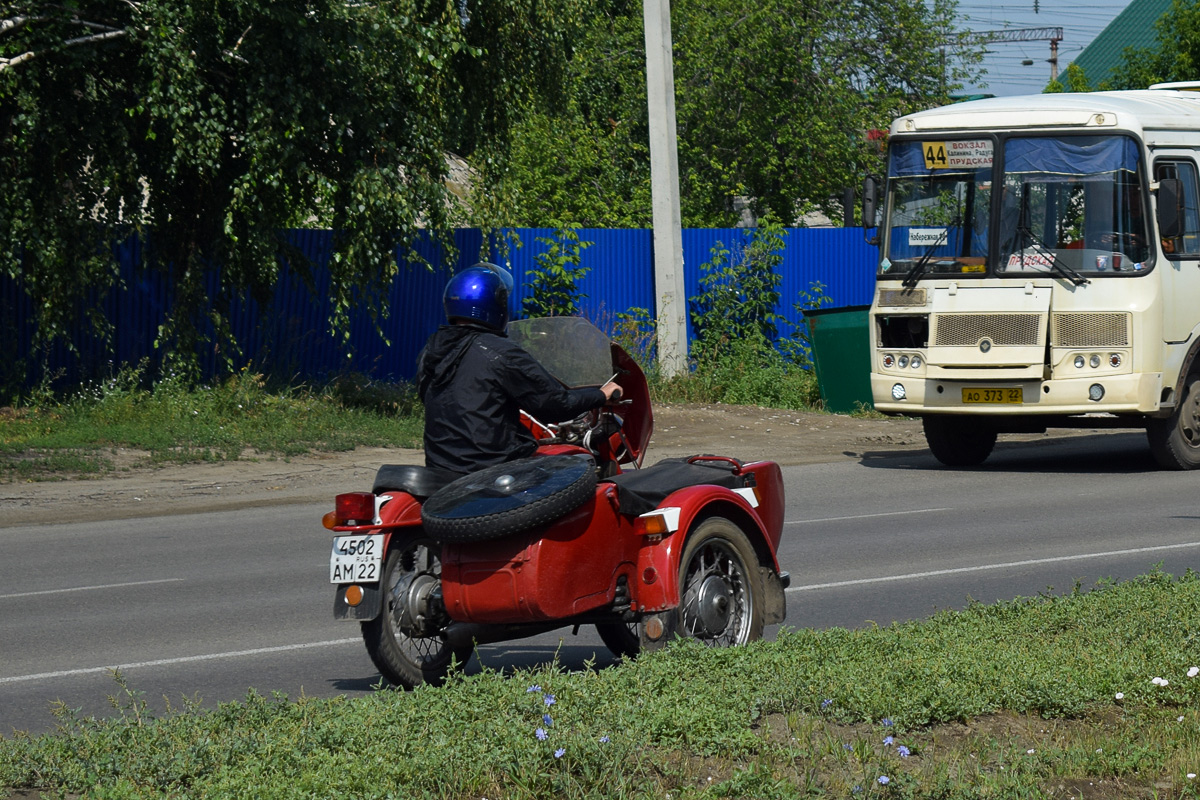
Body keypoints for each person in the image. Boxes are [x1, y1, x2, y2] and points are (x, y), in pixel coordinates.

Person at [417, 262, 622, 475]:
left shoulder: (432, 351)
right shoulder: (501, 352)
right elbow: (556, 405)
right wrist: (600, 394)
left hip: (441, 471)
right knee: (579, 465)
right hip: (492, 471)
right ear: (496, 304)